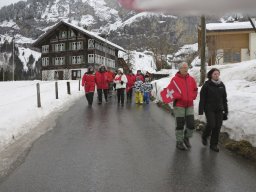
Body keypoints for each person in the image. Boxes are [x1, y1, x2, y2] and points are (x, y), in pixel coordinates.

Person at [199, 68, 228, 152]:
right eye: (215, 74)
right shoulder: (207, 85)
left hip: (219, 109)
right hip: (209, 108)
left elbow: (224, 99)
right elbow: (202, 98)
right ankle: (205, 136)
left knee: (218, 126)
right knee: (211, 124)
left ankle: (213, 144)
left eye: (217, 74)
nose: (216, 75)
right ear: (211, 75)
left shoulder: (222, 85)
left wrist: (226, 111)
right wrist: (201, 110)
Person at [171, 62, 198, 150]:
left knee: (191, 124)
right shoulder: (174, 79)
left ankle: (186, 138)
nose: (185, 69)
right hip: (179, 105)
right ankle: (179, 142)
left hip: (189, 105)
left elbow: (195, 89)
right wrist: (176, 95)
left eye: (186, 67)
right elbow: (170, 91)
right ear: (180, 69)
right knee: (180, 124)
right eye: (183, 67)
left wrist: (193, 96)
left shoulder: (191, 79)